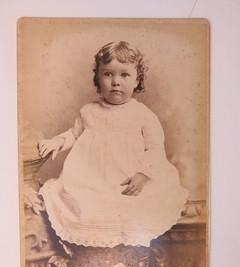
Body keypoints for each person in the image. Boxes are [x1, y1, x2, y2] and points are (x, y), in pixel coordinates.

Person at [38, 41, 188, 248]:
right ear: (98, 79)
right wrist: (58, 141)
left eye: (124, 75)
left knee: (134, 208)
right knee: (81, 203)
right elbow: (74, 133)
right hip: (93, 178)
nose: (116, 81)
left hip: (128, 179)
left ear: (137, 80)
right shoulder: (89, 111)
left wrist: (143, 174)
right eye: (108, 74)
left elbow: (155, 148)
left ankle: (128, 251)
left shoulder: (142, 114)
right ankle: (94, 252)